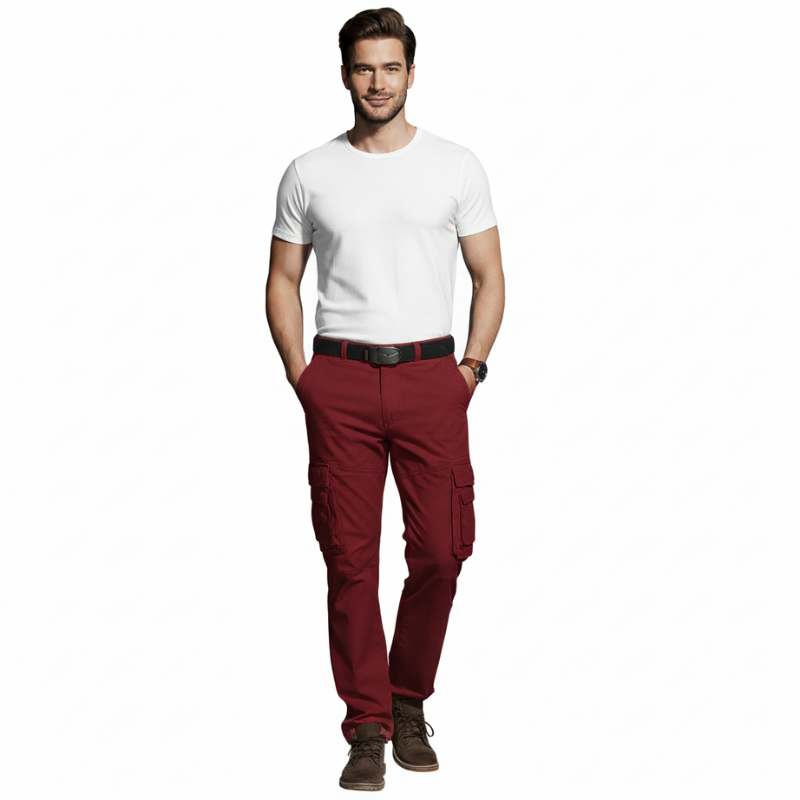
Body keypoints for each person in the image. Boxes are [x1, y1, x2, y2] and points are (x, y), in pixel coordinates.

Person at [265, 7, 504, 792]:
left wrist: (470, 370)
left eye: (391, 67)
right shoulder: (308, 171)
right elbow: (283, 280)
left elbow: (490, 276)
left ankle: (409, 697)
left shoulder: (456, 166)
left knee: (441, 551)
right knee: (349, 557)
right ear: (345, 75)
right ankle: (367, 723)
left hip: (432, 376)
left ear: (411, 73)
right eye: (364, 67)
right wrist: (302, 375)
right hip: (338, 378)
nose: (378, 81)